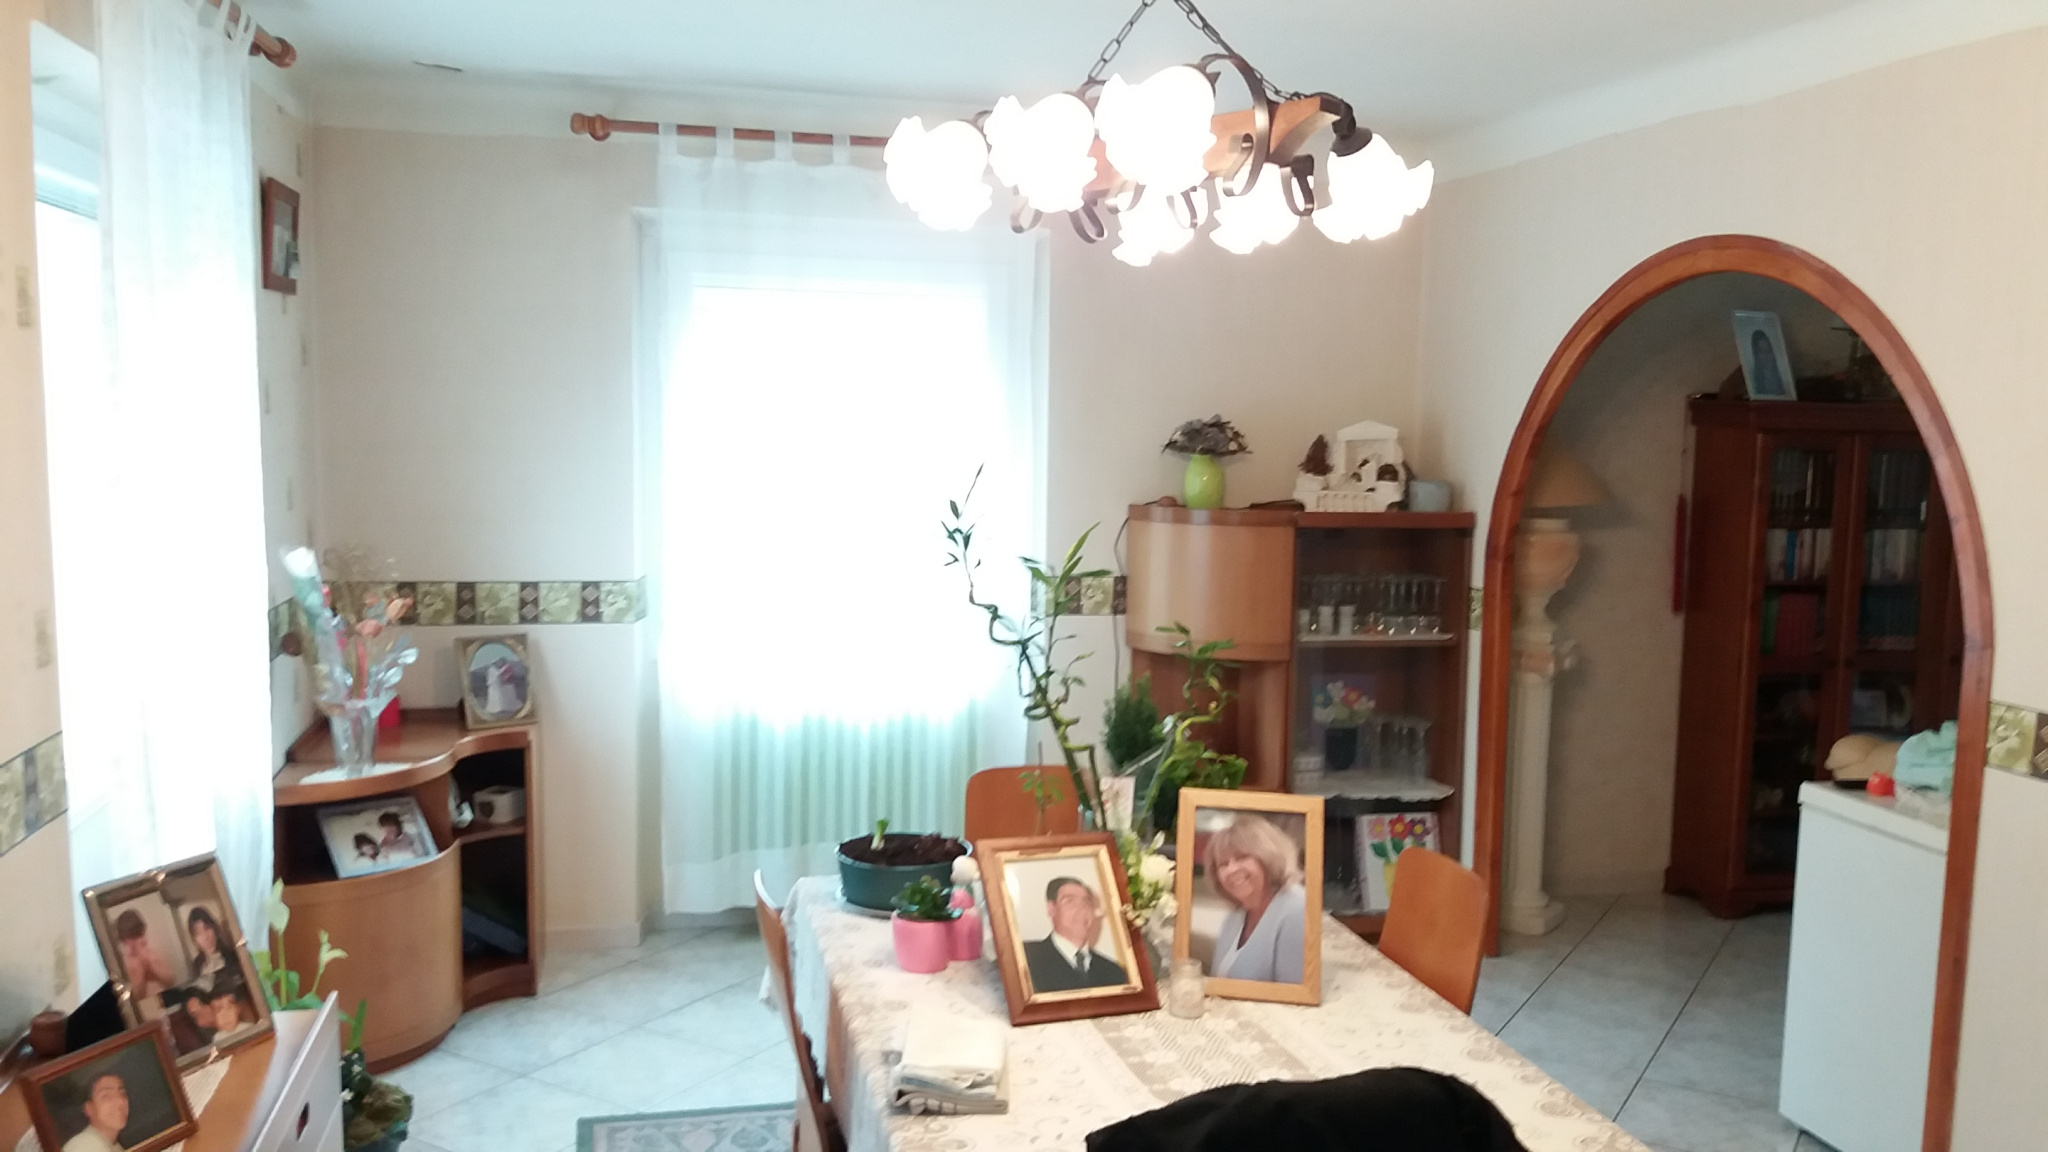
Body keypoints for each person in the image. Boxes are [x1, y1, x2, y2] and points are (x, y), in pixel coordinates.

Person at [1205, 814, 1309, 983]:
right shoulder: (1235, 915)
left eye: (1242, 857)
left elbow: (1295, 994)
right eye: (1223, 864)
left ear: (1268, 858)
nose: (1231, 870)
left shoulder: (1297, 910)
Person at [1020, 876, 1129, 993]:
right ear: (1051, 909)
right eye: (1070, 901)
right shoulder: (1025, 958)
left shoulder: (1113, 971)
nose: (1081, 910)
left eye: (1086, 902)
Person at [112, 910, 176, 1018]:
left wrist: (153, 966)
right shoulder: (124, 964)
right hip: (143, 1012)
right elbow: (134, 997)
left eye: (140, 935)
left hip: (164, 1004)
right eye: (131, 938)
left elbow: (171, 980)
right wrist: (140, 970)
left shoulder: (154, 954)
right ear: (124, 940)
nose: (137, 941)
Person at [62, 1071, 128, 1152]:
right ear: (89, 1108)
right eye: (106, 1096)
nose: (120, 1101)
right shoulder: (82, 1147)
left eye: (122, 1093)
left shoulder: (114, 1146)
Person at [184, 906, 229, 989]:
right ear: (194, 939)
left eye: (207, 928)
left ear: (214, 928)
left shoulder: (232, 955)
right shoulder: (196, 966)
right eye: (198, 933)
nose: (205, 937)